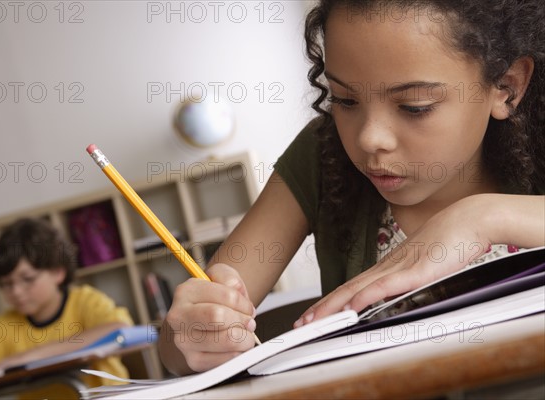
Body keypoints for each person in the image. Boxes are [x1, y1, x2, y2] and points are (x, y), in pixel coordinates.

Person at [159, 0, 545, 376]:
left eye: (414, 106)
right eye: (344, 100)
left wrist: (483, 218)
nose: (369, 138)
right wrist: (194, 332)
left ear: (506, 87)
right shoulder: (323, 154)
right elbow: (174, 352)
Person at [0, 218, 133, 399]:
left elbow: (121, 330)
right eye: (6, 284)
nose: (16, 292)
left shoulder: (84, 301)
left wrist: (27, 357)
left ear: (58, 272)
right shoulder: (2, 326)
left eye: (28, 279)